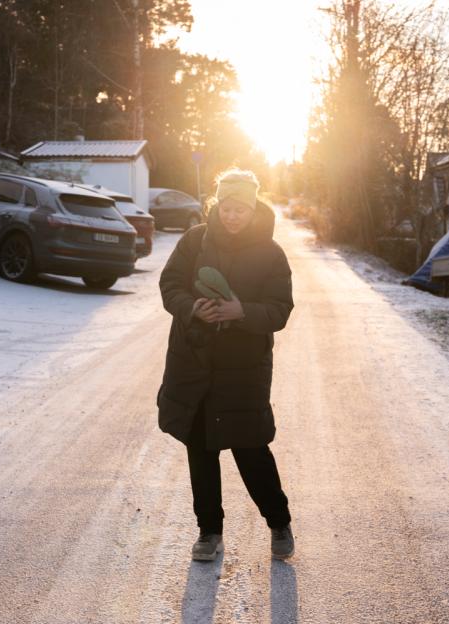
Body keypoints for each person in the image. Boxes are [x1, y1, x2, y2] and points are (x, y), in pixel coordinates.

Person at [157, 169, 295, 561]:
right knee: (200, 451)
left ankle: (279, 522)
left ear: (253, 209)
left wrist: (241, 311)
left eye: (242, 209)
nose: (234, 216)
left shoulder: (271, 253)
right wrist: (191, 308)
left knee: (251, 450)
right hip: (194, 362)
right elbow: (171, 286)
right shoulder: (194, 241)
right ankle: (209, 532)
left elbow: (280, 309)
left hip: (243, 369)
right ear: (216, 206)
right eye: (227, 208)